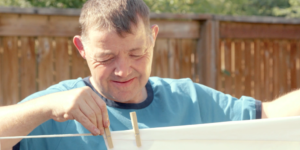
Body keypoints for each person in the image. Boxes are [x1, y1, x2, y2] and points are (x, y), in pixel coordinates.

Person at [1, 0, 300, 149]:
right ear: (82, 48)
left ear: (153, 38)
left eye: (136, 53)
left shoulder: (188, 100)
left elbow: (269, 116)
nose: (123, 70)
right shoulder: (54, 110)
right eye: (106, 57)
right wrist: (43, 108)